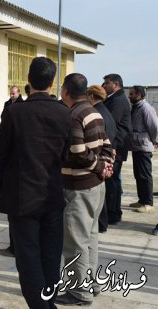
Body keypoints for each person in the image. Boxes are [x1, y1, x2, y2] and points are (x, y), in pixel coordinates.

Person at [0, 57, 71, 309]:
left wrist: (12, 179)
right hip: (52, 194)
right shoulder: (64, 113)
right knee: (50, 255)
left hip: (22, 196)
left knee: (28, 258)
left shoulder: (15, 112)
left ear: (29, 79)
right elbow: (66, 154)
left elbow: (1, 154)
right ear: (52, 81)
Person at [55, 73, 114, 306]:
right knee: (90, 238)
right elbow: (108, 144)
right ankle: (92, 285)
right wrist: (105, 167)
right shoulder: (93, 112)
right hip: (96, 185)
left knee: (75, 242)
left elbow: (79, 151)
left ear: (66, 91)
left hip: (79, 187)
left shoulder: (73, 115)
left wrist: (100, 166)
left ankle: (79, 292)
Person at [103, 74, 132, 225]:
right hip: (115, 145)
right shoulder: (114, 98)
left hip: (116, 146)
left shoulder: (118, 101)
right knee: (114, 181)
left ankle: (113, 213)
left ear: (115, 85)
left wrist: (110, 147)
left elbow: (110, 123)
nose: (104, 85)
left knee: (112, 181)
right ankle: (113, 211)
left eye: (106, 83)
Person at [87, 85, 117, 233]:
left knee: (98, 198)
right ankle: (102, 224)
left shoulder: (96, 112)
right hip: (106, 156)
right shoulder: (106, 111)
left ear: (92, 97)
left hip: (100, 158)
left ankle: (101, 224)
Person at [127, 86, 158, 213]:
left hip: (144, 146)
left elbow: (154, 127)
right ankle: (142, 200)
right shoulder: (136, 107)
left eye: (132, 94)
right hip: (137, 145)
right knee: (138, 174)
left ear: (139, 95)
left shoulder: (146, 108)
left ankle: (148, 203)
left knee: (145, 175)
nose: (129, 96)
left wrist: (155, 141)